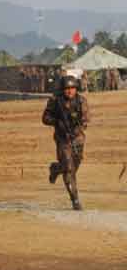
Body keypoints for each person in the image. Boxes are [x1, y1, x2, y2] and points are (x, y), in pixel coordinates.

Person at [42, 75, 89, 210]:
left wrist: (78, 123)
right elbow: (45, 118)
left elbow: (86, 119)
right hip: (62, 139)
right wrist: (56, 121)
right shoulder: (55, 101)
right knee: (68, 169)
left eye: (72, 88)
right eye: (67, 88)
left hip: (78, 138)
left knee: (73, 167)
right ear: (63, 89)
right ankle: (75, 200)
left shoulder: (81, 101)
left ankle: (56, 168)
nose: (69, 91)